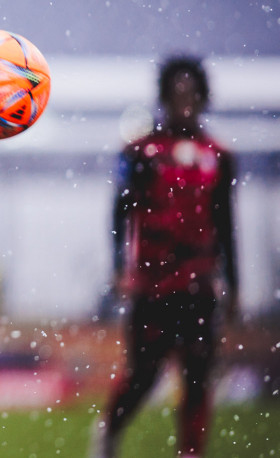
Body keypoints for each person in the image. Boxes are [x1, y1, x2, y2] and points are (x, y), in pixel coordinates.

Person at [92, 55, 240, 458]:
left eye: (191, 92)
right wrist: (119, 267)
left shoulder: (220, 156)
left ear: (203, 96)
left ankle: (191, 451)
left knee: (198, 373)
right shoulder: (142, 152)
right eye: (177, 92)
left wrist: (234, 283)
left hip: (199, 283)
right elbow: (119, 212)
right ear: (164, 97)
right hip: (152, 285)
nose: (184, 99)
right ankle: (108, 433)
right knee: (144, 373)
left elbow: (227, 224)